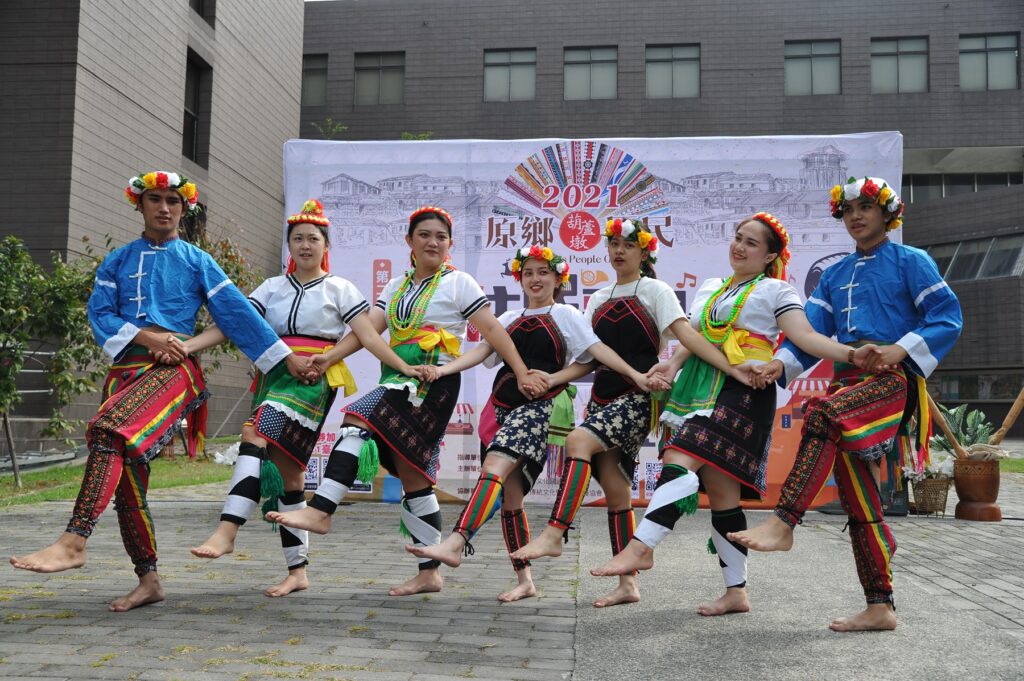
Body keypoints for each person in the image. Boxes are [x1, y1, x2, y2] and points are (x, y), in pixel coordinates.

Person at [9, 171, 311, 611]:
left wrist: (286, 360)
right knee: (126, 479)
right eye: (155, 199)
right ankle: (148, 580)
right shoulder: (116, 260)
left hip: (175, 372)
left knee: (109, 431)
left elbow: (236, 314)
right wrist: (147, 337)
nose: (165, 207)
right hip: (125, 370)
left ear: (184, 208)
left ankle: (74, 540)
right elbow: (101, 317)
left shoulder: (196, 260)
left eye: (173, 200)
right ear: (140, 204)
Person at [589, 212, 882, 616]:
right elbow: (693, 335)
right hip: (699, 385)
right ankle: (736, 592)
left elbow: (806, 337)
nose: (739, 247)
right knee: (722, 493)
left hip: (745, 386)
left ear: (769, 257)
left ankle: (641, 547)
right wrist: (671, 366)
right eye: (738, 238)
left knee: (679, 458)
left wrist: (851, 355)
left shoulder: (776, 290)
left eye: (751, 243)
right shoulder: (713, 286)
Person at [268, 206, 545, 597]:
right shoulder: (396, 286)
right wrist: (330, 357)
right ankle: (429, 573)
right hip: (399, 376)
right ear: (410, 241)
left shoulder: (459, 283)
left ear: (449, 244)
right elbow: (369, 330)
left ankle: (322, 509)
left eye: (441, 237)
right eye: (425, 235)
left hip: (433, 383)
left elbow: (492, 331)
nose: (433, 242)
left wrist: (518, 371)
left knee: (357, 417)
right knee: (413, 475)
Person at [729, 177, 962, 631]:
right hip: (849, 381)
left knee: (822, 412)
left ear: (887, 214)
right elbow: (810, 333)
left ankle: (784, 521)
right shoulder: (835, 274)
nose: (856, 215)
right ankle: (880, 606)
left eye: (866, 208)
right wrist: (779, 365)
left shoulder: (912, 261)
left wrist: (899, 350)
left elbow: (947, 318)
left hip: (893, 380)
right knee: (860, 499)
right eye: (849, 209)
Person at [510, 218, 754, 608]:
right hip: (604, 398)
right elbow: (590, 359)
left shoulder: (655, 290)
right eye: (613, 244)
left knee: (578, 440)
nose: (618, 251)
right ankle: (627, 585)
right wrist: (554, 377)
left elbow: (689, 334)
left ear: (644, 252)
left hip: (640, 397)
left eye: (628, 244)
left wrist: (727, 367)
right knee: (615, 488)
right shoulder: (598, 297)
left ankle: (555, 532)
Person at [188, 200, 424, 597]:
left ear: (325, 244)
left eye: (313, 238)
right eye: (297, 239)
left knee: (255, 434)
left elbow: (366, 335)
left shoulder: (339, 288)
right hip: (274, 372)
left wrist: (400, 365)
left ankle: (228, 529)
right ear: (289, 246)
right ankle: (297, 572)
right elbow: (235, 324)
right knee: (291, 474)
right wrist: (189, 345)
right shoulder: (272, 288)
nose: (305, 245)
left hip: (313, 377)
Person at [405, 245, 654, 601]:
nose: (535, 279)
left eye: (543, 273)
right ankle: (525, 581)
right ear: (520, 278)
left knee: (494, 468)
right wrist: (442, 369)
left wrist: (561, 379)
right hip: (501, 406)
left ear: (558, 279)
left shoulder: (566, 314)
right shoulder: (506, 319)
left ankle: (457, 541)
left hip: (537, 408)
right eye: (529, 273)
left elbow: (592, 358)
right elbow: (482, 352)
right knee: (510, 497)